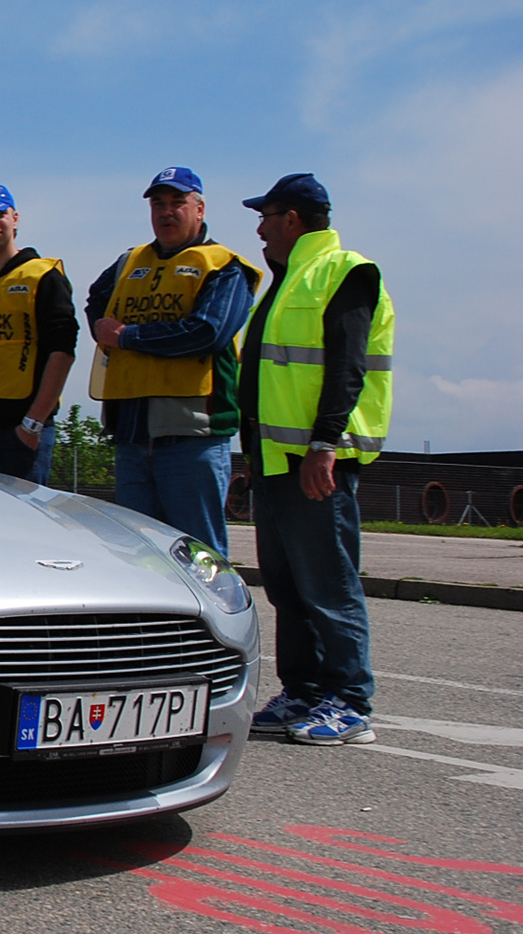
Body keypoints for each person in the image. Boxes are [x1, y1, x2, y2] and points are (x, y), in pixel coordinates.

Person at [239, 173, 394, 746]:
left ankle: (350, 701)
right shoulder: (286, 281)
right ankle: (302, 691)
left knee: (329, 583)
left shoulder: (345, 272)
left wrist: (325, 445)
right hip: (276, 460)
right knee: (287, 587)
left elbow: (347, 366)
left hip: (315, 461)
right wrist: (254, 455)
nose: (259, 227)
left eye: (267, 215)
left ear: (294, 220)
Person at [84, 167, 259, 557]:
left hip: (191, 438)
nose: (166, 211)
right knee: (137, 557)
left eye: (177, 202)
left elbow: (206, 332)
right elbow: (96, 303)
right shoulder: (128, 263)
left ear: (199, 208)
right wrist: (103, 328)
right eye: (158, 204)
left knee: (199, 557)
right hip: (131, 435)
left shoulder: (224, 267)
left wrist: (128, 336)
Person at [0, 183, 77, 482]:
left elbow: (63, 350)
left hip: (18, 432)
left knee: (23, 526)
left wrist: (32, 425)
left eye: (0, 214)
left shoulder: (42, 276)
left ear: (15, 218)